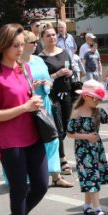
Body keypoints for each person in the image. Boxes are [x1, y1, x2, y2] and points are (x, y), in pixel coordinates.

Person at [0, 24, 50, 215]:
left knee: (42, 184)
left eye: (22, 44)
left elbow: (27, 97)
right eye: (16, 45)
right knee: (19, 190)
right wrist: (23, 107)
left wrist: (34, 101)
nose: (20, 49)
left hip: (33, 134)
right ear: (3, 46)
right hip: (11, 140)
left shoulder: (24, 69)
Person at [67, 80, 108, 215]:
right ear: (86, 96)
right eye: (96, 98)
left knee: (92, 177)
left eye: (100, 99)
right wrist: (86, 136)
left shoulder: (99, 112)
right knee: (92, 177)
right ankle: (97, 209)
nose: (98, 101)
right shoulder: (77, 112)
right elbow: (69, 133)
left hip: (96, 150)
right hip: (83, 151)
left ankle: (87, 206)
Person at [21, 32, 70, 189]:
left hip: (45, 104)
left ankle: (56, 175)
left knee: (53, 139)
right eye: (33, 42)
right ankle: (29, 176)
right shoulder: (18, 64)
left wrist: (46, 83)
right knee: (32, 142)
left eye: (36, 42)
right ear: (24, 44)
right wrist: (31, 87)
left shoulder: (39, 60)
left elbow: (48, 79)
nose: (36, 44)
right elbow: (16, 87)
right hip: (29, 107)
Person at [40, 25, 76, 176]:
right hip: (52, 95)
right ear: (42, 38)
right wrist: (57, 74)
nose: (52, 38)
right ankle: (62, 159)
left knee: (67, 127)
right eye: (48, 35)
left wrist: (69, 72)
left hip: (66, 93)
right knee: (59, 129)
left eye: (54, 35)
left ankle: (53, 155)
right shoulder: (41, 57)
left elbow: (71, 68)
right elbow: (42, 78)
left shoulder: (64, 52)